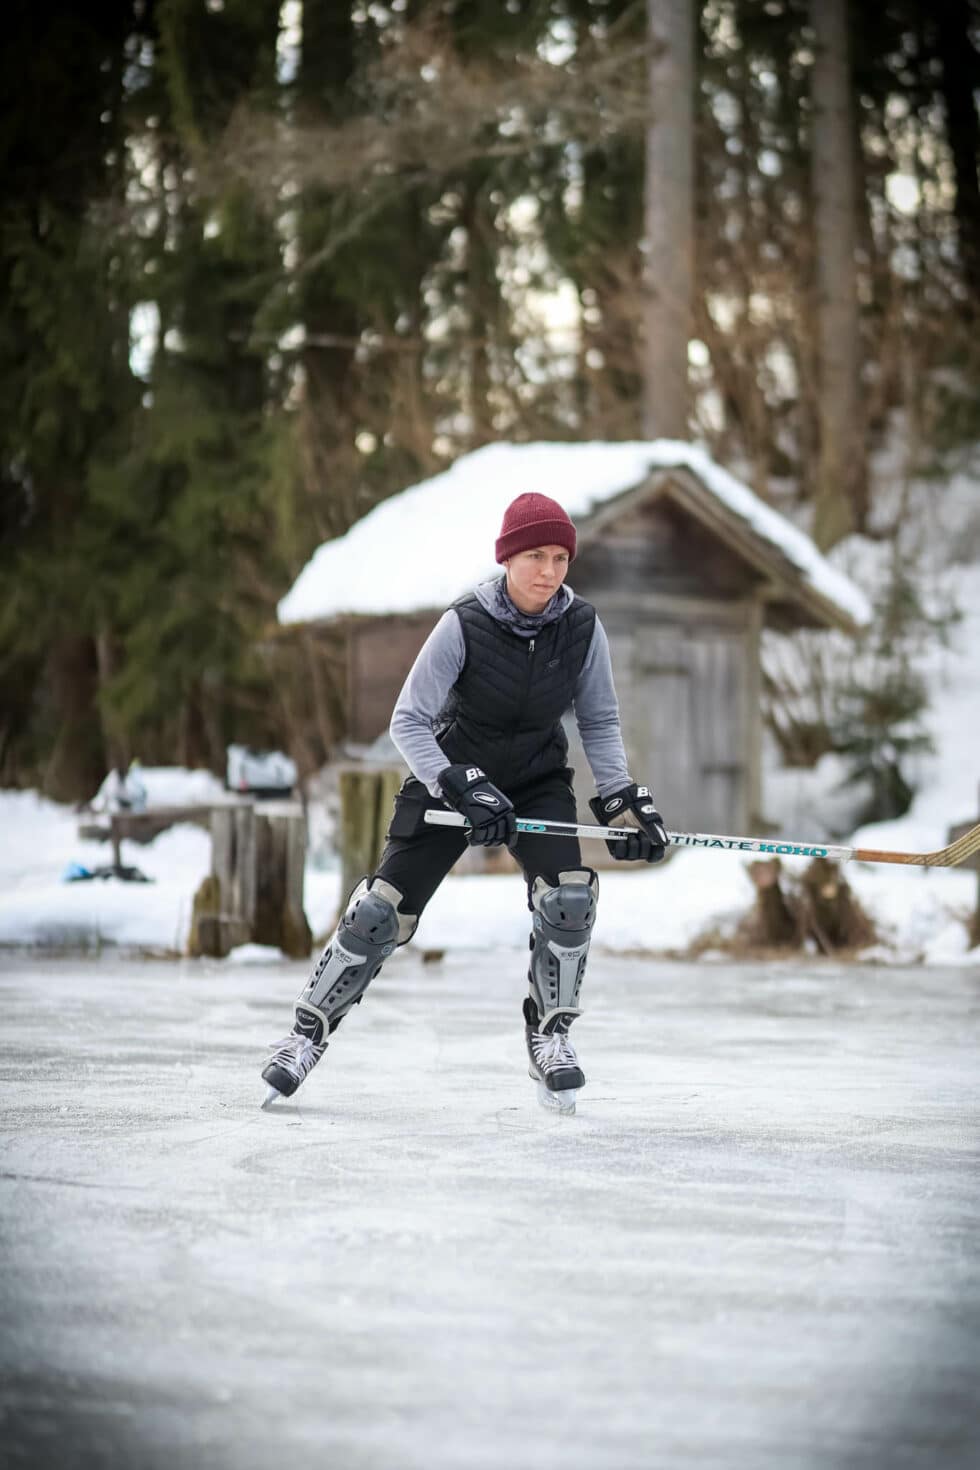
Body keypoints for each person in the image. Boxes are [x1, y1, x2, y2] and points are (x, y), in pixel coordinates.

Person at [262, 492, 669, 1112]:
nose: (549, 571)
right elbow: (408, 721)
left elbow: (600, 719)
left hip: (536, 780)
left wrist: (619, 798)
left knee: (569, 900)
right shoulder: (464, 622)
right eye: (535, 556)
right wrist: (455, 781)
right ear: (507, 558)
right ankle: (305, 1035)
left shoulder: (582, 627)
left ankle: (550, 1035)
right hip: (452, 779)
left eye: (560, 557)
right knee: (379, 913)